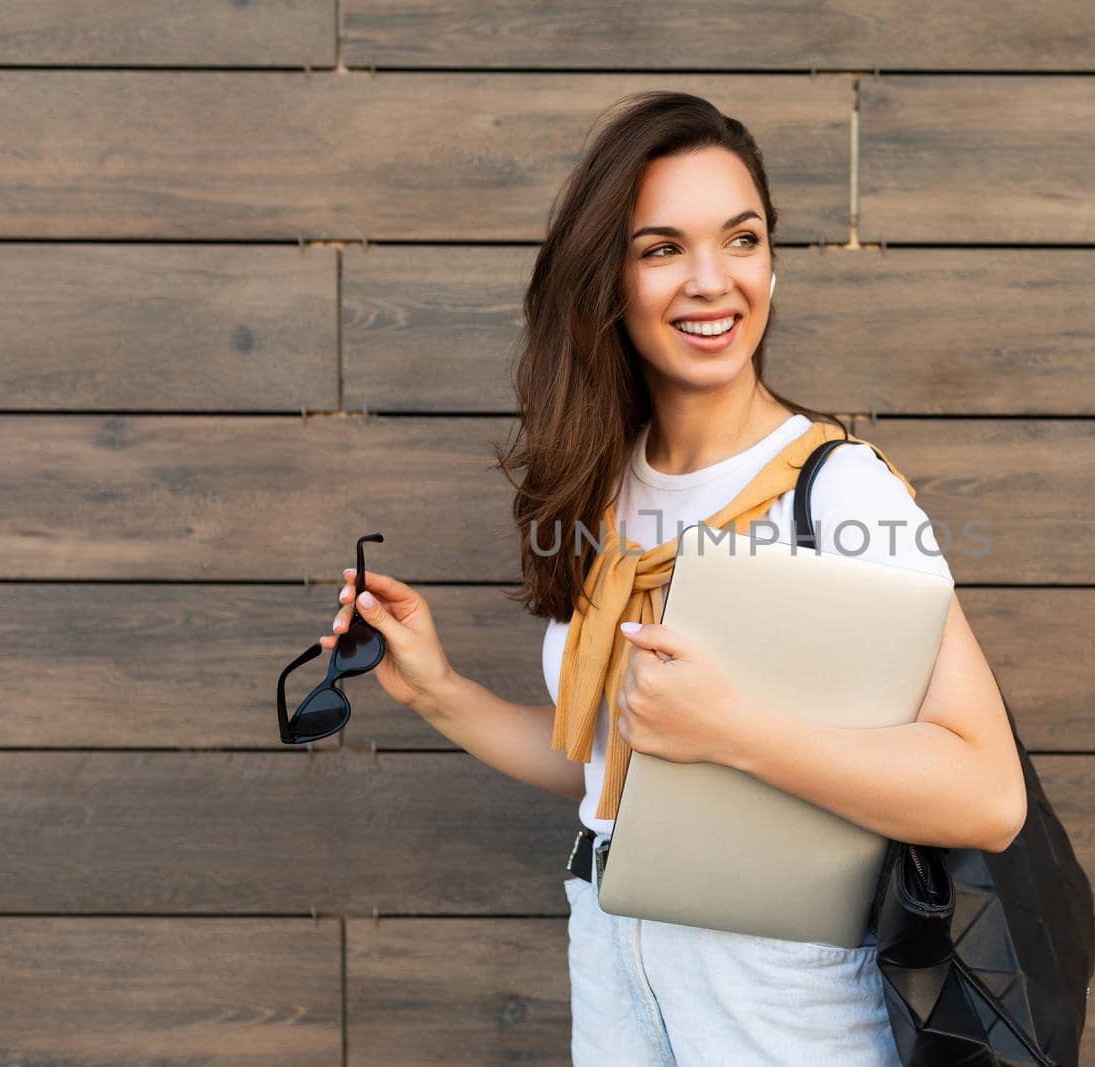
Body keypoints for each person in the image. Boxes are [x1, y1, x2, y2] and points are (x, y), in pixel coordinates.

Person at [321, 90, 1027, 1066]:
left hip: (776, 993)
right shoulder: (609, 482)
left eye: (739, 240)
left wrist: (736, 729)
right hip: (614, 961)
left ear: (771, 261)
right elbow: (614, 767)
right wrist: (440, 692)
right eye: (662, 248)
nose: (711, 281)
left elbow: (986, 791)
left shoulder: (834, 487)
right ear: (607, 279)